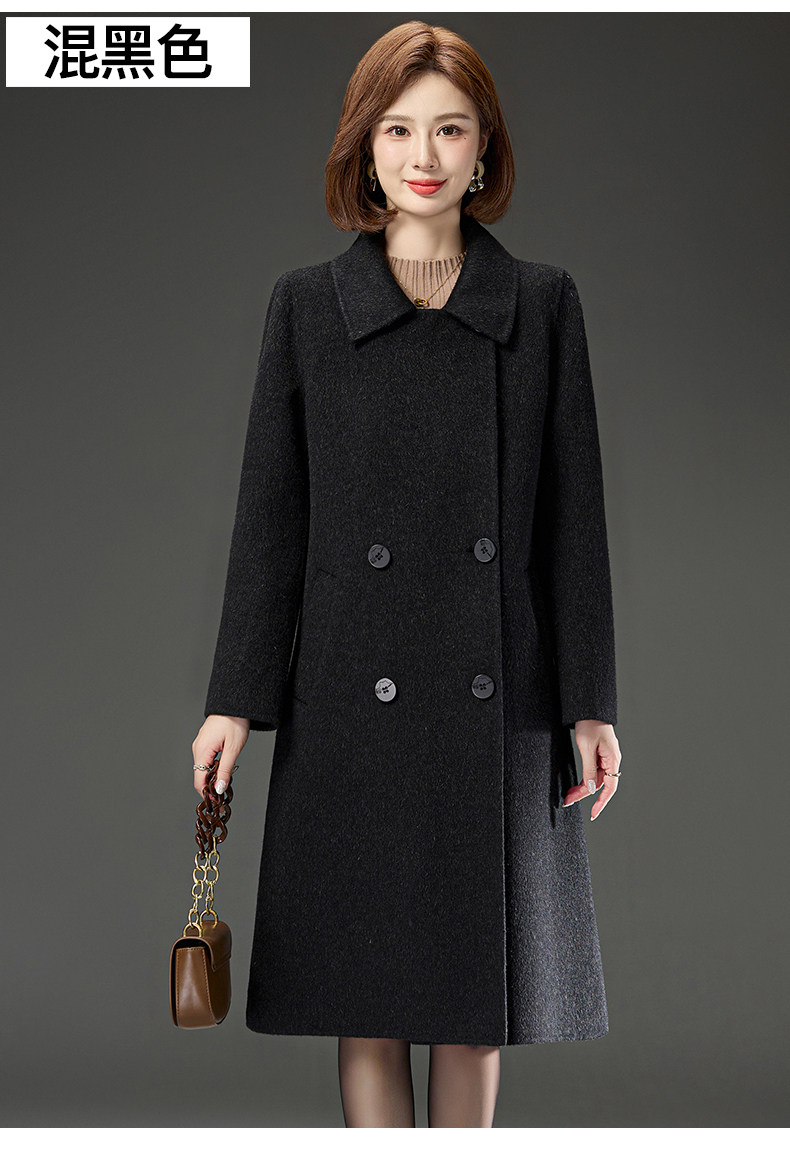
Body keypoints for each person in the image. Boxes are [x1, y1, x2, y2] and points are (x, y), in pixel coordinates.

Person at [191, 20, 623, 1128]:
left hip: (500, 702)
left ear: (484, 151)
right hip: (352, 701)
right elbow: (272, 519)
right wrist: (235, 699)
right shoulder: (306, 308)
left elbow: (572, 524)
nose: (422, 154)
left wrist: (590, 705)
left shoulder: (544, 305)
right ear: (364, 147)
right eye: (396, 129)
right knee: (368, 1004)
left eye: (449, 128)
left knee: (476, 1007)